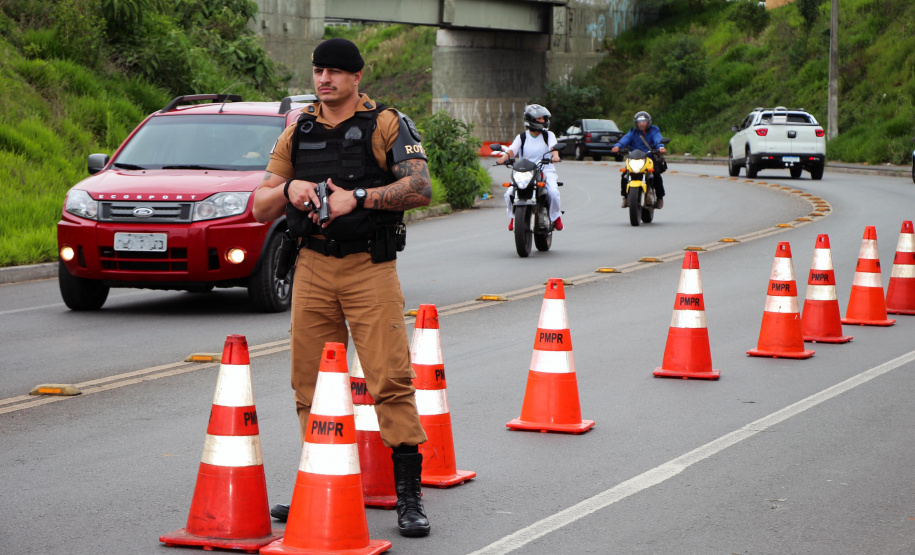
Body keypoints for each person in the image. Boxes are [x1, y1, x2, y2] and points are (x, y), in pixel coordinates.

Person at [252, 37, 432, 538]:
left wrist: (361, 197)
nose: (324, 79)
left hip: (368, 267)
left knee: (390, 380)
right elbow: (260, 204)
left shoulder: (386, 123)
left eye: (334, 71)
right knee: (309, 385)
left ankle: (408, 498)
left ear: (357, 77)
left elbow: (420, 187)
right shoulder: (299, 129)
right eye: (318, 70)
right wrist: (288, 189)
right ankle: (322, 481)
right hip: (311, 265)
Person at [496, 104, 563, 231]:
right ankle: (513, 217)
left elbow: (553, 148)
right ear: (530, 119)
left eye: (543, 118)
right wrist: (503, 159)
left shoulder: (548, 135)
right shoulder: (522, 137)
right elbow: (512, 150)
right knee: (508, 193)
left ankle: (556, 217)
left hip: (545, 169)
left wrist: (555, 156)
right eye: (539, 119)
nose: (542, 121)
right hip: (524, 171)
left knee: (553, 193)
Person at [612, 111, 667, 209]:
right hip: (634, 159)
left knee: (656, 175)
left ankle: (660, 198)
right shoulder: (632, 132)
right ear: (636, 123)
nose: (642, 124)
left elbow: (657, 139)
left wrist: (660, 147)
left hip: (649, 158)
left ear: (648, 122)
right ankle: (625, 197)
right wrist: (617, 146)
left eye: (644, 121)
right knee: (625, 175)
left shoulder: (654, 130)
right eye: (639, 122)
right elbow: (625, 139)